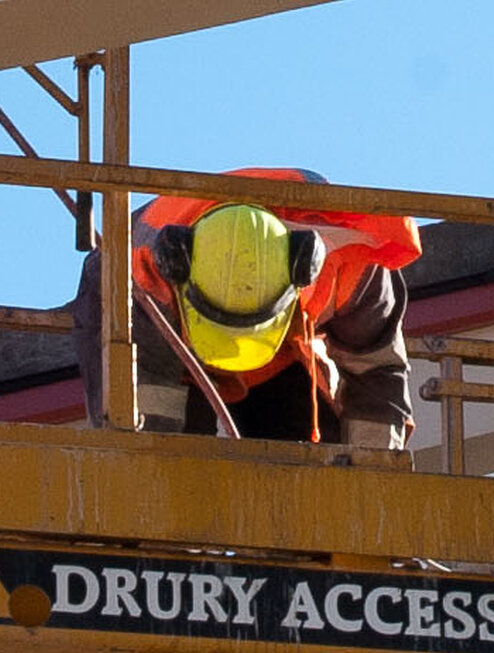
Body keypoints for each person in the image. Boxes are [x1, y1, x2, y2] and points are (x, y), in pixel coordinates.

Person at [77, 167, 425, 453]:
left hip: (284, 357)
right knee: (171, 474)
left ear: (300, 273)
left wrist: (371, 470)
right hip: (172, 347)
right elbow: (150, 424)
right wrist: (152, 475)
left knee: (315, 477)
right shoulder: (139, 277)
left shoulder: (354, 266)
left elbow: (378, 377)